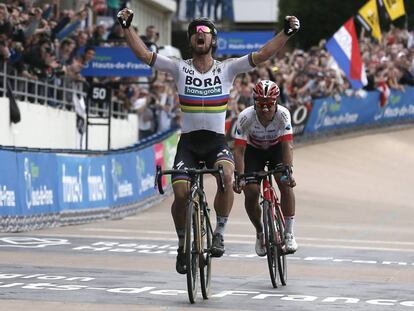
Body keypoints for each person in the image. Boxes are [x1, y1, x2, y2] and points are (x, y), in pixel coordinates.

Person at [116, 8, 300, 274]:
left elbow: (262, 55)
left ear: (213, 40)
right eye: (194, 32)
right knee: (179, 194)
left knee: (227, 176)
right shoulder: (178, 68)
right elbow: (145, 55)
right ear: (191, 41)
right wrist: (127, 27)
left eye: (204, 32)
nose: (198, 34)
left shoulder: (227, 69)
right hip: (188, 143)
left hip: (215, 142)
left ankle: (219, 233)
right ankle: (182, 244)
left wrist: (286, 33)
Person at [233, 80, 297, 256]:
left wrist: (288, 170)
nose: (265, 109)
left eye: (269, 104)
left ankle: (289, 233)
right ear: (255, 102)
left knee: (284, 183)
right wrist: (239, 176)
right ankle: (260, 233)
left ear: (276, 102)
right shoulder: (246, 117)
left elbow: (287, 146)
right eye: (261, 104)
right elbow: (238, 150)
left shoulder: (283, 114)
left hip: (277, 149)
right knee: (251, 192)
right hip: (254, 152)